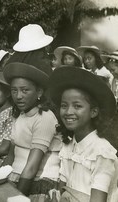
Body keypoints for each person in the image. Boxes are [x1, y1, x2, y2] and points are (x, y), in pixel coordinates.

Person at [48, 66, 117, 202]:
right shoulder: (69, 145)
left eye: (77, 106)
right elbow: (62, 192)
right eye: (64, 105)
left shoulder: (101, 152)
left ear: (94, 112)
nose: (68, 112)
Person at [3, 62, 61, 201]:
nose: (18, 96)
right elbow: (11, 155)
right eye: (14, 90)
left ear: (39, 92)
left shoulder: (44, 118)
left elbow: (31, 168)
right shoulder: (21, 115)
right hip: (17, 176)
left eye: (25, 90)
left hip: (38, 182)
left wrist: (17, 197)